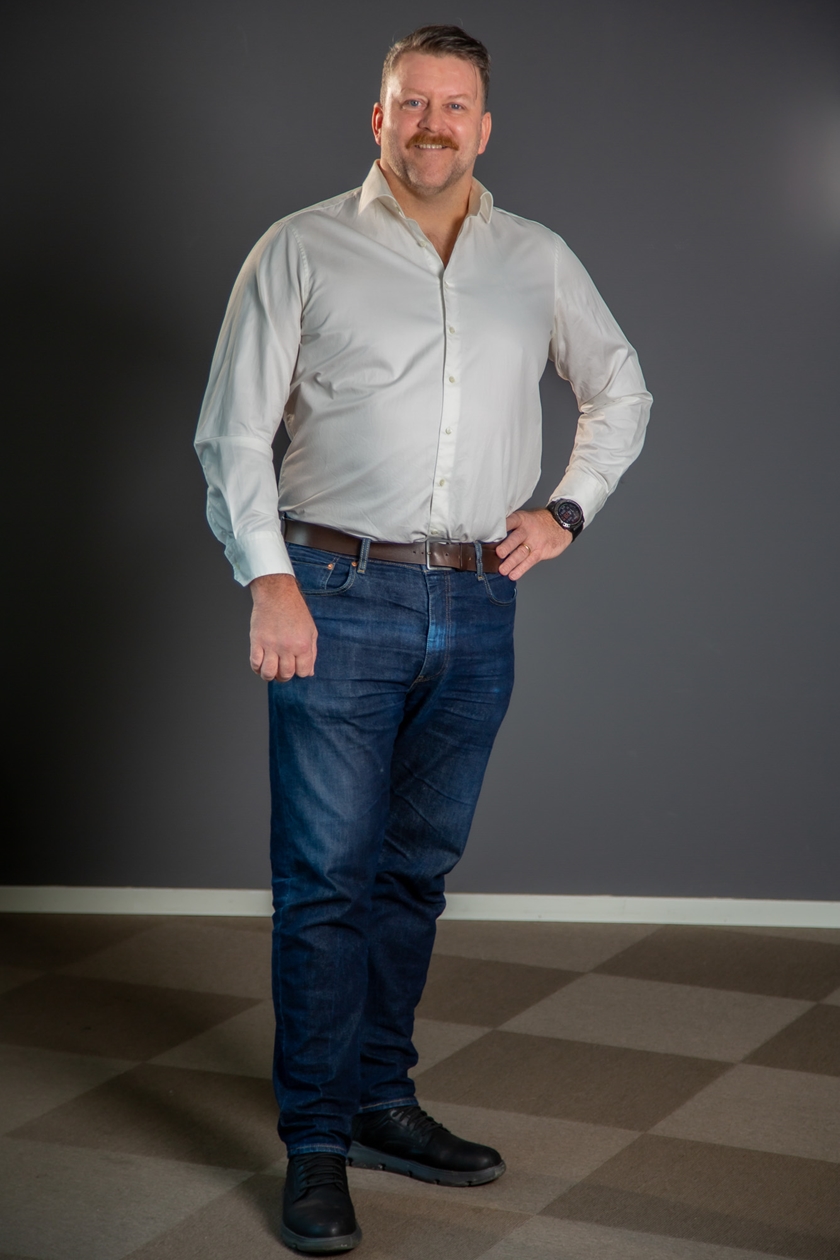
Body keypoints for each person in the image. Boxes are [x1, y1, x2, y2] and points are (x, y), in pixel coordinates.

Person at [195, 24, 651, 1254]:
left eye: (455, 105)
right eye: (412, 103)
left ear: (483, 127)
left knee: (413, 873)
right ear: (379, 118)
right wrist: (269, 580)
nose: (433, 123)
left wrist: (564, 512)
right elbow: (232, 433)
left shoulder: (533, 258)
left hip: (478, 601)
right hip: (331, 594)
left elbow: (621, 388)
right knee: (327, 879)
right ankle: (315, 1145)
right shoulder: (300, 248)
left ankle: (379, 1101)